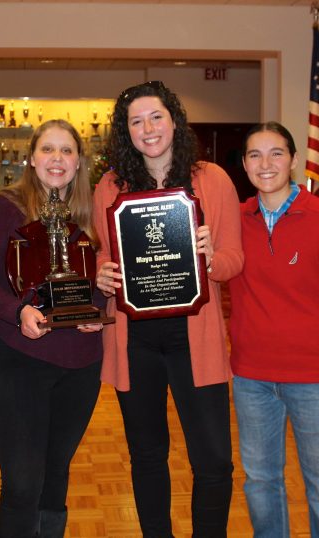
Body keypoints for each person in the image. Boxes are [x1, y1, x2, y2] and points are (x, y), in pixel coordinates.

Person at [94, 80, 243, 538]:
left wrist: (210, 254)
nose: (148, 128)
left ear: (173, 120)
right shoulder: (110, 186)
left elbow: (234, 260)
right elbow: (105, 252)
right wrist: (103, 273)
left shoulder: (211, 179)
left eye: (155, 116)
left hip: (193, 339)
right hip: (135, 340)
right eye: (136, 121)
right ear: (126, 132)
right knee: (147, 454)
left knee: (214, 459)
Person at [0, 119, 104, 538]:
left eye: (66, 151)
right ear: (32, 157)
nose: (57, 159)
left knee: (56, 471)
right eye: (49, 149)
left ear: (79, 161)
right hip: (19, 360)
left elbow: (102, 280)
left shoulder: (91, 214)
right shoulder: (4, 208)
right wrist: (17, 312)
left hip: (79, 366)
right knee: (23, 478)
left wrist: (95, 309)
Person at [229, 122, 319, 538]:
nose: (265, 163)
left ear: (292, 160)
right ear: (245, 165)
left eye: (276, 153)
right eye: (255, 155)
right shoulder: (234, 222)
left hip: (315, 382)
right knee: (260, 482)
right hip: (251, 379)